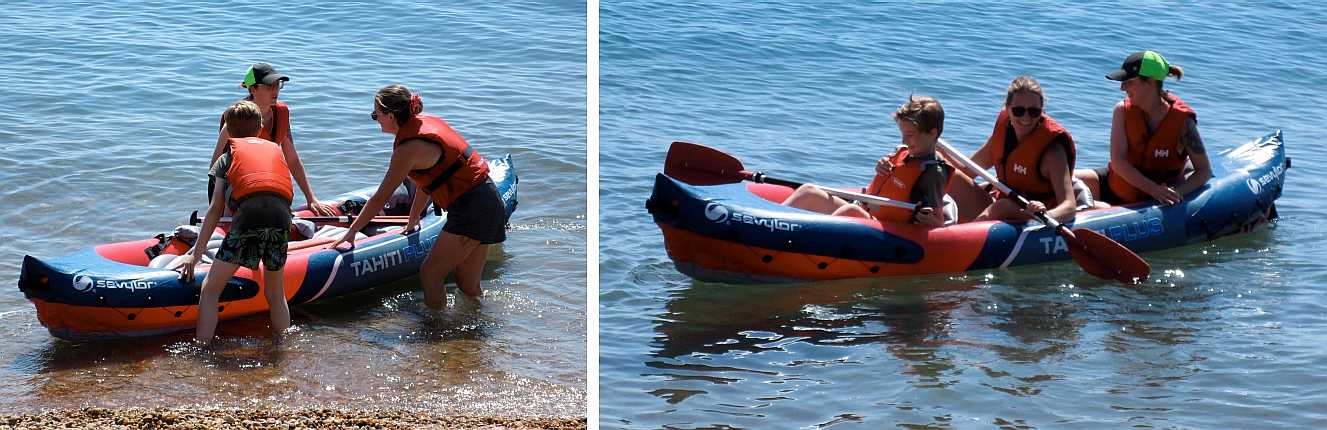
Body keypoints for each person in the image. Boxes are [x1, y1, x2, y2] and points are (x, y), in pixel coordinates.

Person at [328, 85, 507, 309]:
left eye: (376, 115)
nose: (375, 120)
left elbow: (380, 198)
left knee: (430, 274)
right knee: (468, 285)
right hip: (487, 199)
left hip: (473, 209)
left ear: (391, 115)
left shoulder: (407, 150)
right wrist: (413, 218)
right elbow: (429, 181)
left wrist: (352, 232)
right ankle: (482, 328)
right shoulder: (425, 124)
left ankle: (435, 331)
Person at [180, 100, 294, 344]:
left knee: (210, 290)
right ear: (260, 127)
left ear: (228, 132)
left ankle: (202, 347)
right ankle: (283, 345)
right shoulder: (275, 150)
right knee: (275, 292)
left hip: (248, 221)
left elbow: (215, 209)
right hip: (281, 219)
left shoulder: (226, 157)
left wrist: (196, 254)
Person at [782, 95, 951, 226]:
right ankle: (770, 224)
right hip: (866, 211)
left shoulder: (932, 172)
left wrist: (929, 220)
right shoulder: (904, 154)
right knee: (809, 191)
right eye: (903, 134)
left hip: (887, 229)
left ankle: (800, 240)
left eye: (910, 135)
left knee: (850, 210)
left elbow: (938, 223)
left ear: (932, 133)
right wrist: (883, 167)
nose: (904, 141)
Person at [1074, 50, 1211, 207]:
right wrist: (1154, 190)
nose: (1122, 88)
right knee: (1059, 180)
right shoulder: (1122, 110)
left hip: (1151, 201)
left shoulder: (1183, 123)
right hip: (1115, 187)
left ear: (1151, 81)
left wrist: (1174, 193)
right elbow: (1118, 162)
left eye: (1129, 82)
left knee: (1090, 204)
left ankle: (1095, 209)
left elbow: (1204, 171)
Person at [210, 63, 335, 216]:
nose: (275, 90)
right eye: (270, 86)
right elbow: (216, 167)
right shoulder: (238, 116)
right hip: (234, 189)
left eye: (278, 85)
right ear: (253, 88)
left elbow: (293, 160)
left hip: (264, 184)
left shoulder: (281, 112)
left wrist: (311, 198)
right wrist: (222, 211)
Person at [963, 76, 1081, 224]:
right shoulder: (1002, 135)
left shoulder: (1053, 153)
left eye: (1033, 112)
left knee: (1002, 207)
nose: (1026, 118)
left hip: (1032, 217)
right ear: (1007, 108)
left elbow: (1069, 206)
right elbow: (966, 171)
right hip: (1002, 206)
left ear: (1042, 111)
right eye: (1018, 111)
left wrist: (1042, 216)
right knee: (951, 175)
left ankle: (964, 240)